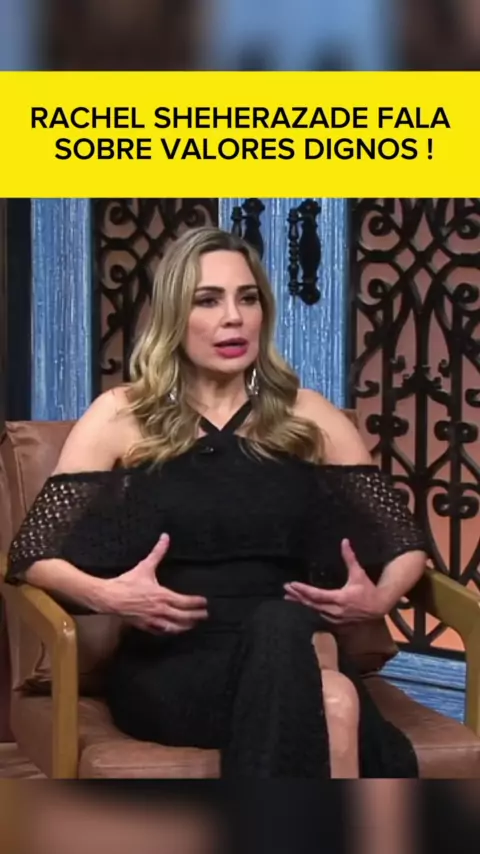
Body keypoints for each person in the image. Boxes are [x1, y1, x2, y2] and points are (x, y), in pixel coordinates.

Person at [5, 226, 427, 778]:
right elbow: (32, 553)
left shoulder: (309, 415)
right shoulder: (120, 415)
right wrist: (108, 595)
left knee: (286, 630)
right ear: (173, 316)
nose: (234, 318)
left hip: (295, 641)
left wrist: (379, 600)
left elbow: (404, 544)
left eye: (247, 299)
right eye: (208, 300)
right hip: (176, 664)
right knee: (335, 701)